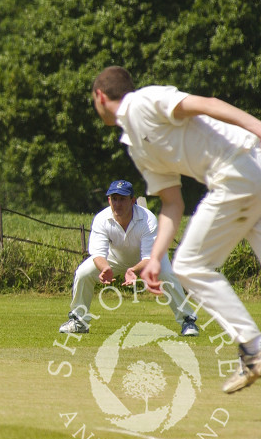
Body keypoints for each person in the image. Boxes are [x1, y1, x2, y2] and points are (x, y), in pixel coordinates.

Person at [91, 65, 261, 393]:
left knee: (189, 266)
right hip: (246, 176)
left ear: (100, 96)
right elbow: (172, 204)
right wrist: (154, 258)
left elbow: (208, 104)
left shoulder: (142, 101)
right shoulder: (136, 146)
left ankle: (253, 349)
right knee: (182, 264)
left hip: (240, 166)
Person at [59, 179, 198, 336]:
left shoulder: (148, 219)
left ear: (132, 201)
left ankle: (187, 320)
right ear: (109, 200)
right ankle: (79, 321)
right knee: (83, 273)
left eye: (122, 199)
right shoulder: (101, 219)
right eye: (114, 199)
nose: (118, 204)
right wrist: (104, 268)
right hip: (115, 258)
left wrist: (133, 270)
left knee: (167, 274)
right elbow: (98, 254)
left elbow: (149, 257)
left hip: (151, 258)